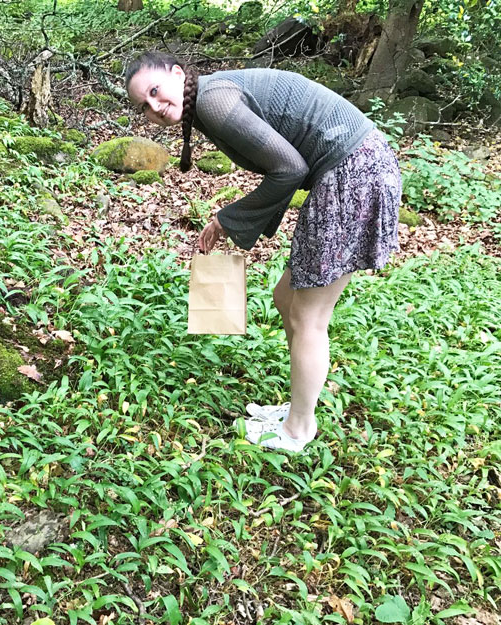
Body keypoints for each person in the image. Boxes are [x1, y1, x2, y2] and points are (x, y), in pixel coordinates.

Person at [125, 51, 401, 452]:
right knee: (285, 297)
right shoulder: (206, 100)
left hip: (354, 170)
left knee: (309, 316)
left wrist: (227, 220)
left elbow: (289, 168)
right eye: (143, 106)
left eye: (155, 91)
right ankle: (297, 408)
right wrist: (236, 220)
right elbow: (288, 165)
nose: (154, 106)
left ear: (178, 74)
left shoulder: (213, 101)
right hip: (351, 168)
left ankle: (298, 429)